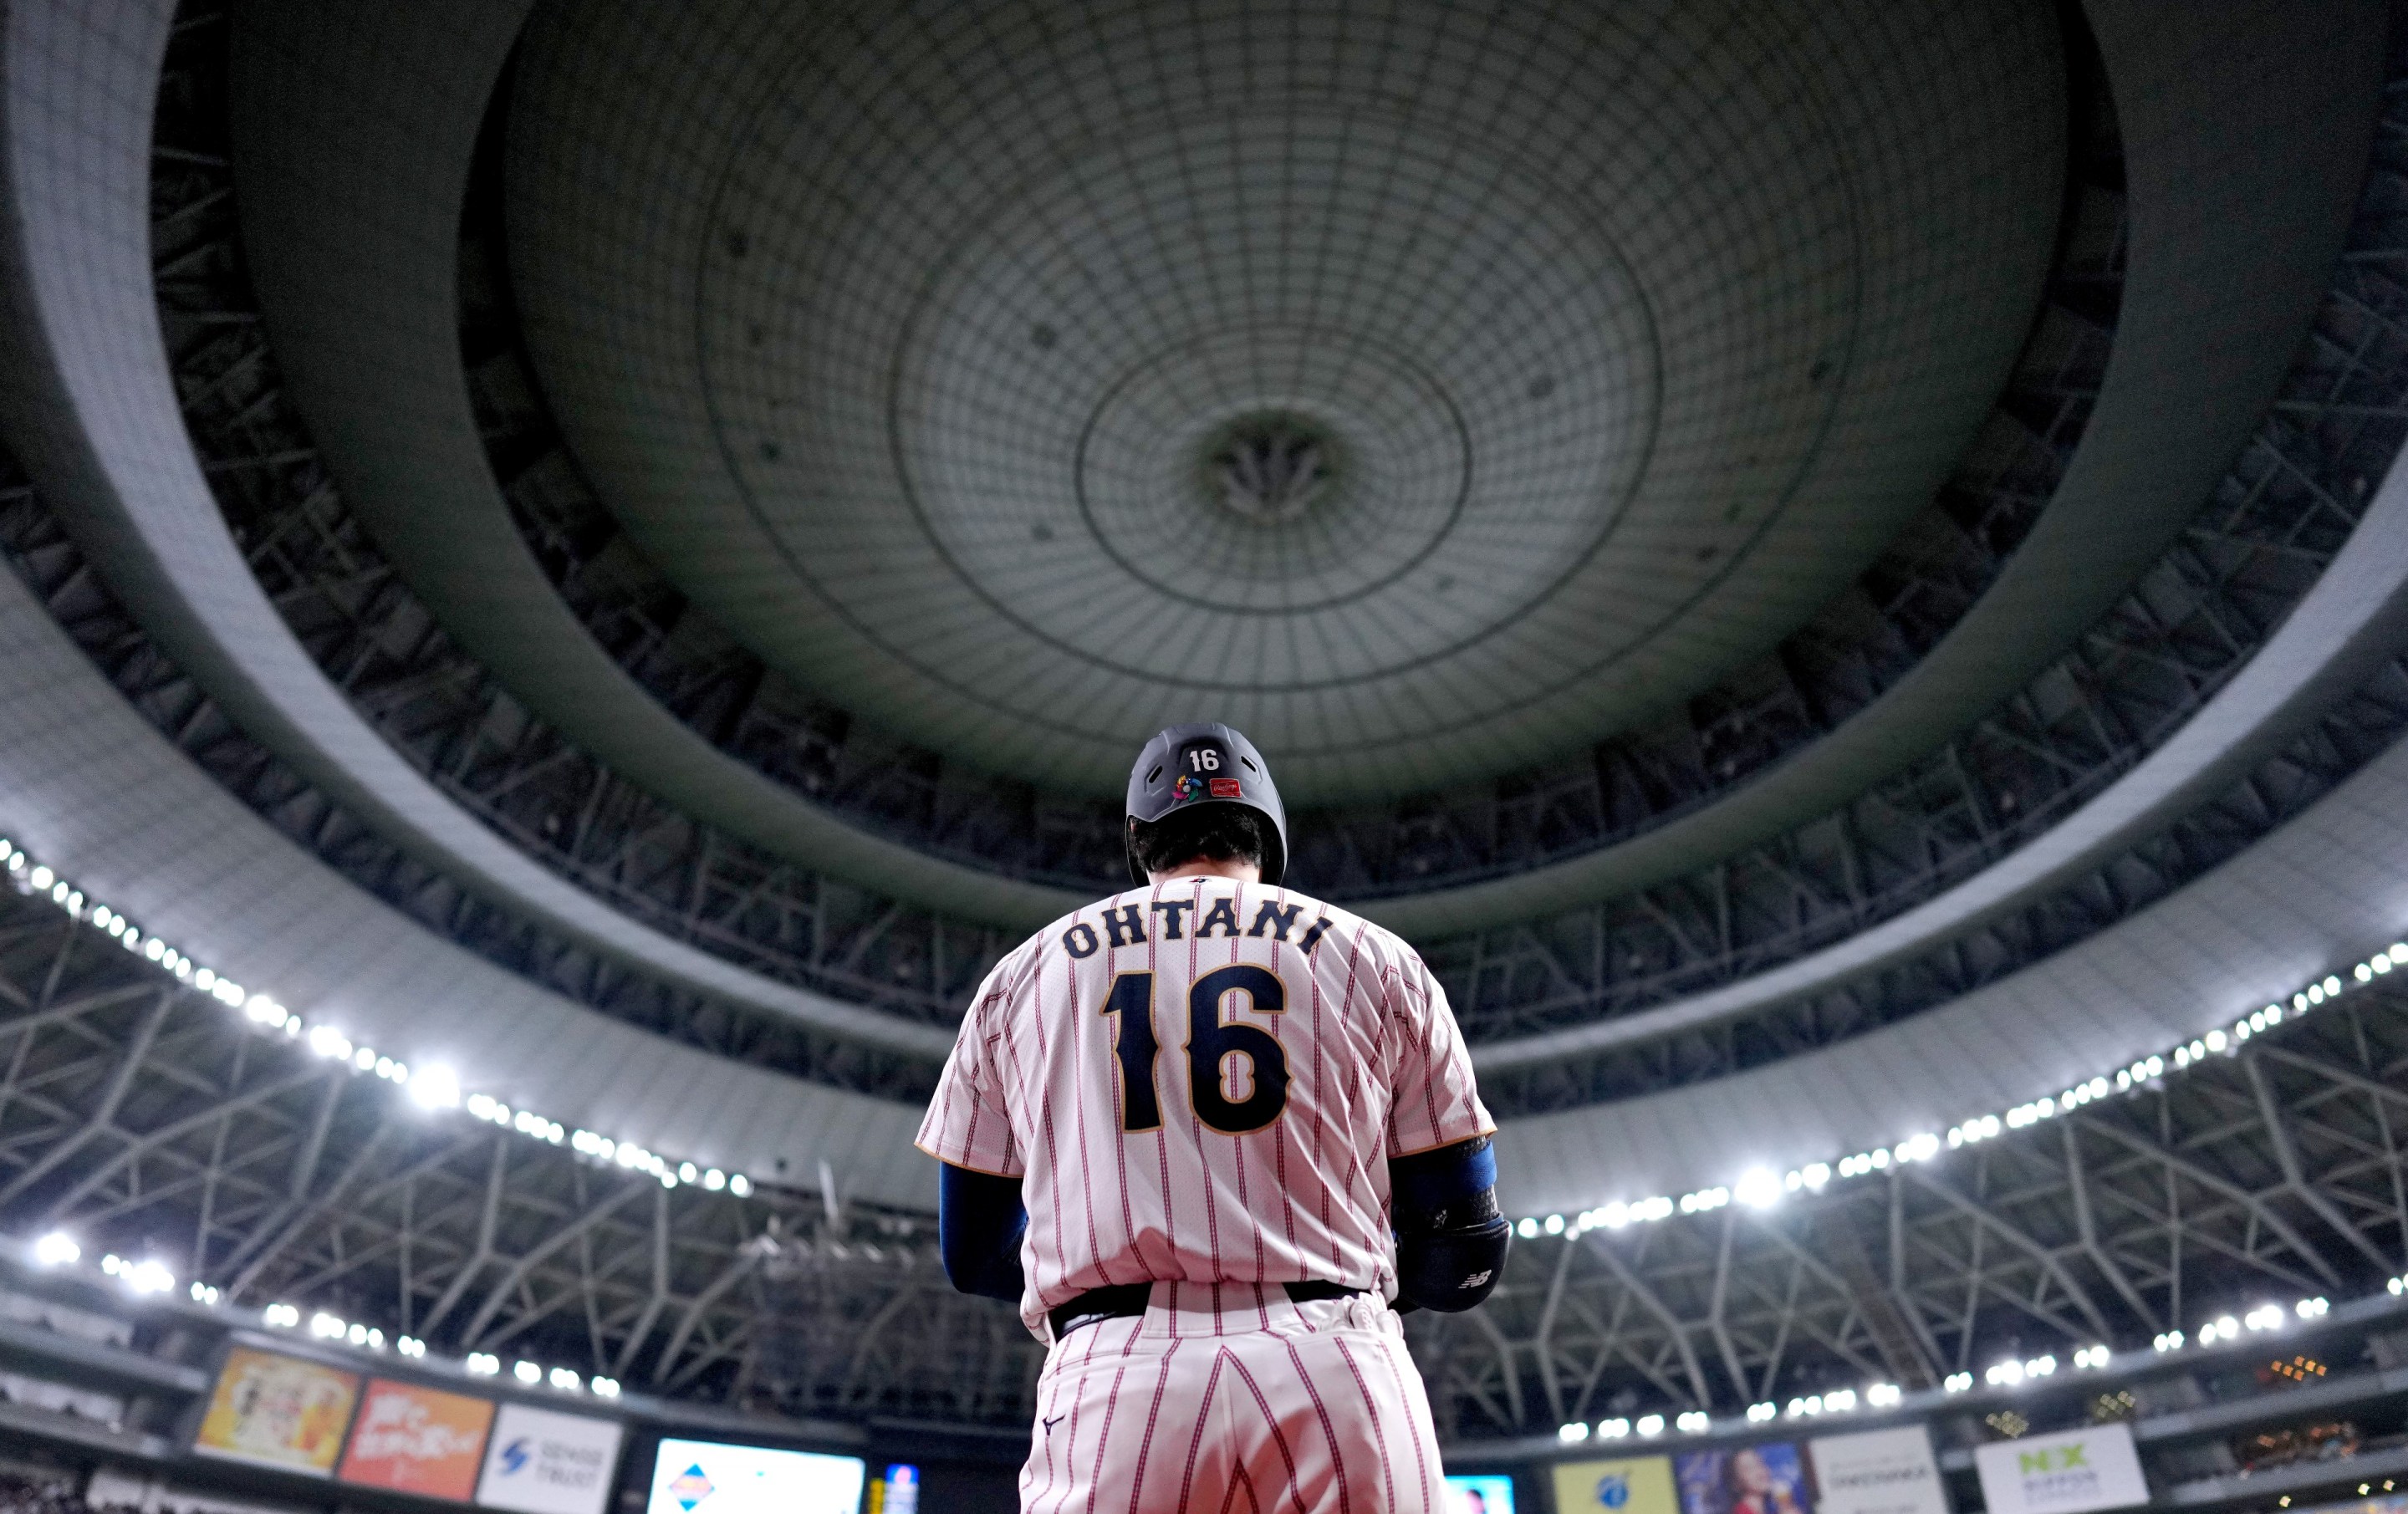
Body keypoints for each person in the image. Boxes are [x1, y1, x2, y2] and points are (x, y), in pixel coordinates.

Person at [917, 722, 1511, 1513]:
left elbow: (972, 1252)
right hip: (1335, 1360)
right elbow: (1464, 1244)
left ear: (1139, 839)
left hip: (1115, 1373)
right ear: (1268, 831)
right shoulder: (1378, 957)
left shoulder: (1022, 975)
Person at [1724, 1448, 1808, 1514]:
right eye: (1749, 1468)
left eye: (1759, 1463)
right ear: (1736, 1483)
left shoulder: (1769, 1507)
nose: (1759, 1471)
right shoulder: (1742, 1512)